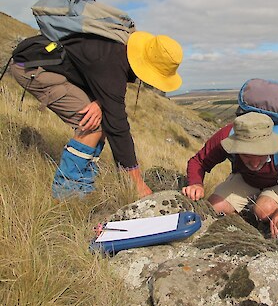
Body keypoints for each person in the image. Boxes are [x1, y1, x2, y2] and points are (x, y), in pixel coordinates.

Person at [11, 31, 183, 198]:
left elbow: (97, 76)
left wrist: (100, 102)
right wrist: (136, 182)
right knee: (93, 125)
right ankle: (67, 191)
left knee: (100, 117)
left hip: (53, 67)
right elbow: (118, 128)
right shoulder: (111, 65)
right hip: (31, 68)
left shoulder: (118, 49)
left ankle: (84, 180)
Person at [182, 112, 278, 237]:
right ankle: (243, 222)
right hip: (245, 179)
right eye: (247, 157)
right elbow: (198, 162)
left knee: (263, 210)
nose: (255, 164)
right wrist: (196, 183)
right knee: (213, 208)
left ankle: (256, 216)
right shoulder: (226, 137)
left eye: (261, 156)